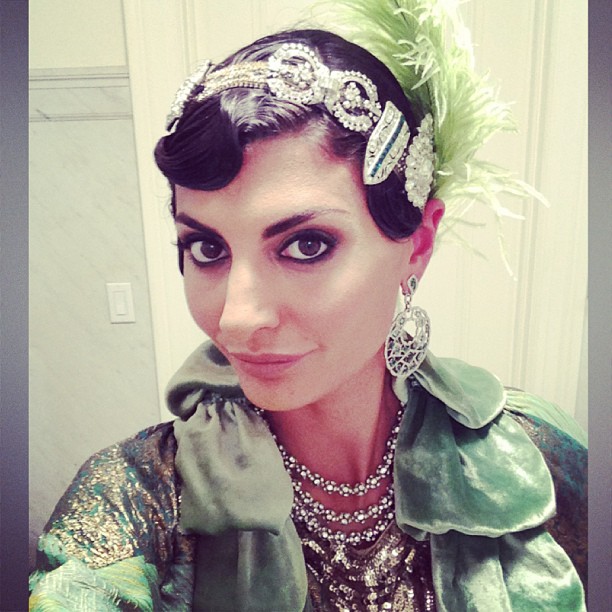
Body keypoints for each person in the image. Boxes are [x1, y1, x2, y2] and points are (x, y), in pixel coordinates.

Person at [29, 2, 587, 610]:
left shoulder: (532, 458)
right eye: (207, 248)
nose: (236, 319)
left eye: (306, 245)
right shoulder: (136, 498)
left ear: (417, 245)